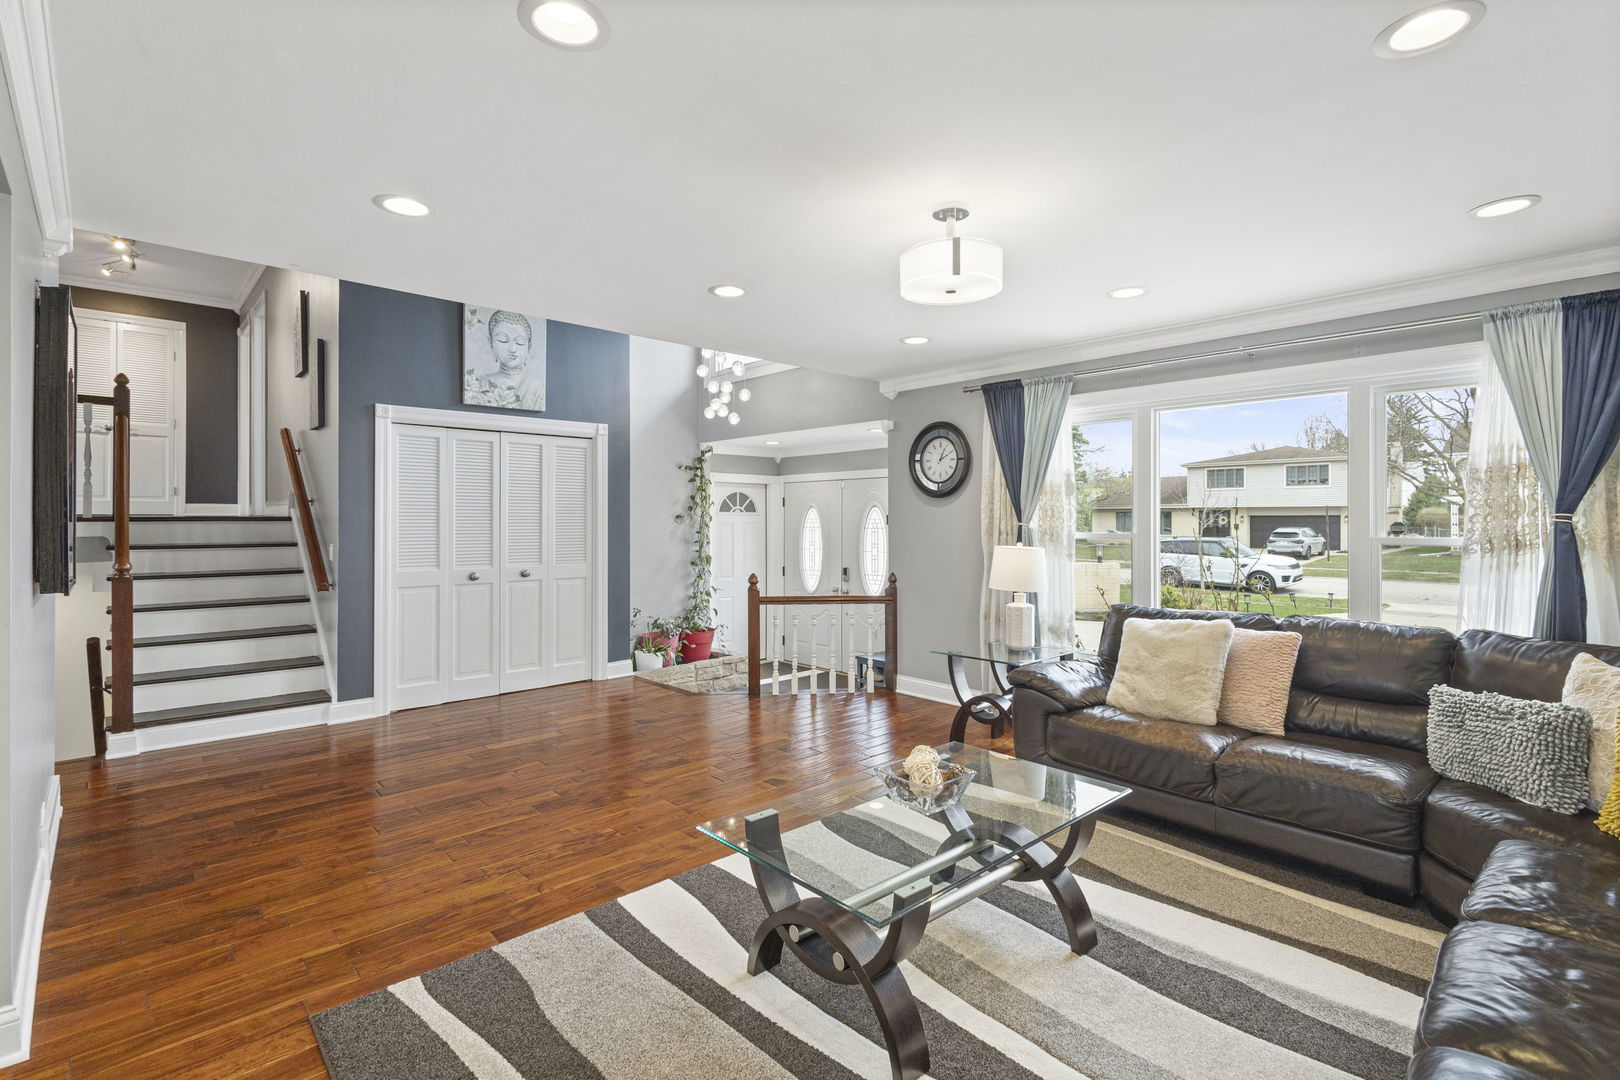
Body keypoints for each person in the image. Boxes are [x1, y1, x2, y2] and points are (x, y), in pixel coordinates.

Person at [465, 310, 545, 409]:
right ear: (490, 343)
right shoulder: (477, 384)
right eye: (503, 340)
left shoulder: (539, 389)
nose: (512, 349)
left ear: (529, 348)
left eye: (520, 342)